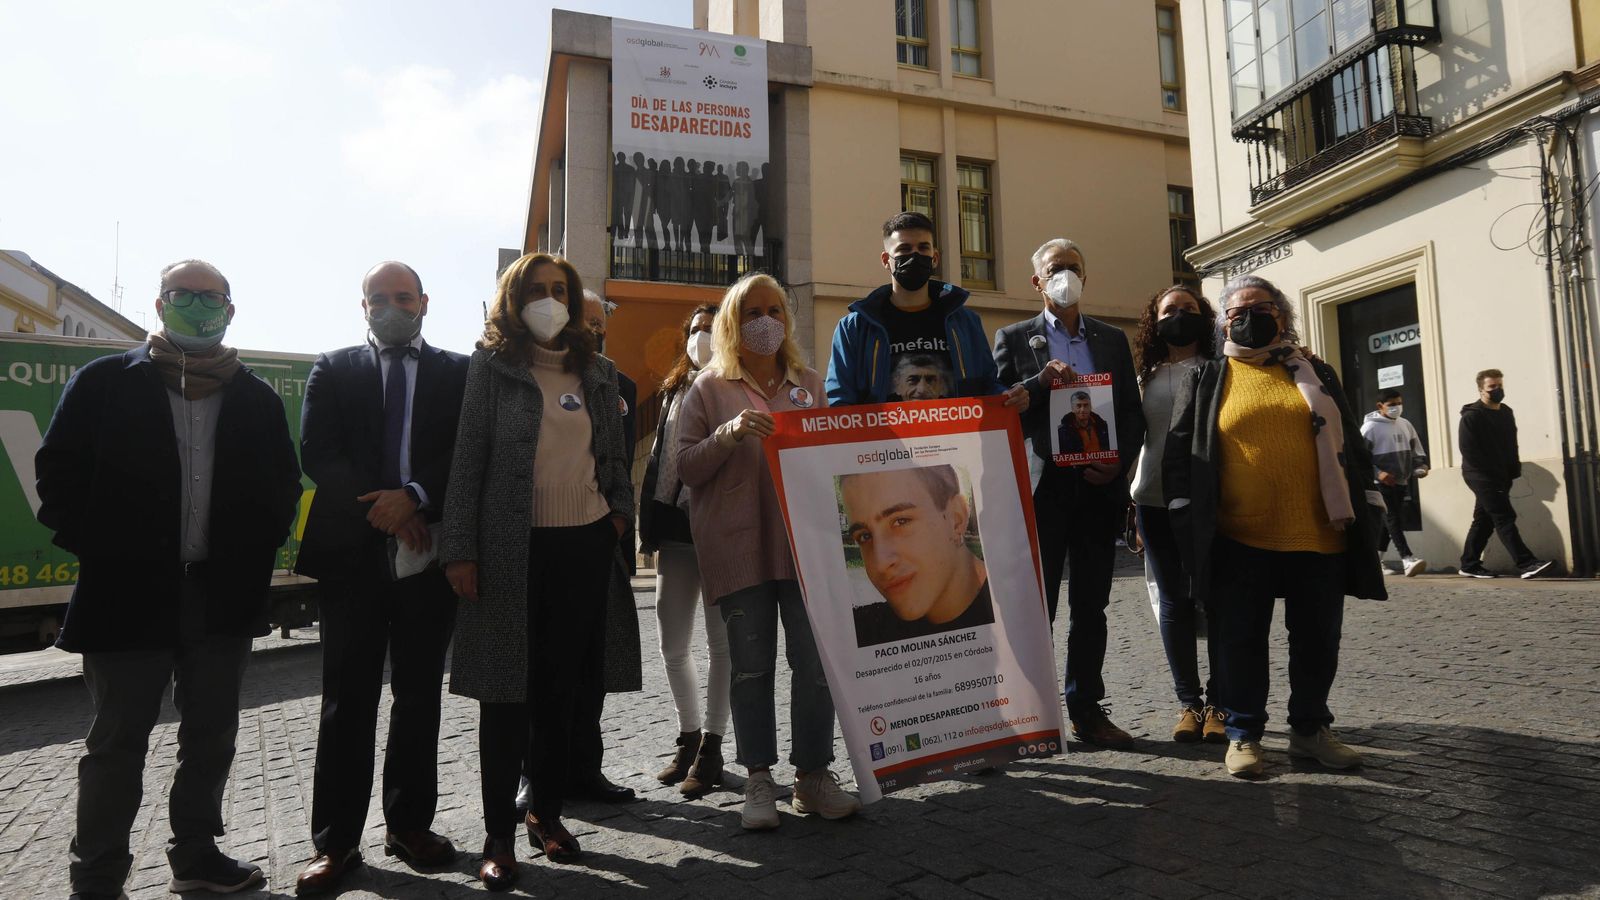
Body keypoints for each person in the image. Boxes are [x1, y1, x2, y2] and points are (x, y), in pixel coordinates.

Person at [37, 259, 301, 899]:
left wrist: (249, 555)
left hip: (221, 596)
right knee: (115, 744)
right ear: (160, 306)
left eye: (213, 298)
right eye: (185, 295)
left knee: (210, 737)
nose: (199, 306)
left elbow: (283, 489)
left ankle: (197, 858)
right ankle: (96, 877)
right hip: (126, 596)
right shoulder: (103, 383)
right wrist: (105, 551)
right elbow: (57, 478)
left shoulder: (256, 397)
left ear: (231, 311)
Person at [441, 253, 633, 890]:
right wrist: (461, 551)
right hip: (507, 549)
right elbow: (467, 463)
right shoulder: (491, 369)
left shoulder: (598, 372)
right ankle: (498, 835)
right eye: (536, 290)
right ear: (512, 299)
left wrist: (615, 520)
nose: (549, 300)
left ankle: (545, 814)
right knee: (505, 696)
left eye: (560, 290)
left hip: (581, 546)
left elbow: (613, 454)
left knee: (561, 691)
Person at [293, 261, 470, 894]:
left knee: (419, 695)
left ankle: (409, 826)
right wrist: (391, 512)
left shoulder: (460, 372)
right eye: (379, 298)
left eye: (403, 296)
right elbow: (320, 452)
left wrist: (417, 495)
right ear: (361, 305)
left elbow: (465, 452)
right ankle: (336, 845)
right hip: (352, 555)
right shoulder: (333, 367)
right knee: (347, 701)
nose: (392, 306)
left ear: (425, 301)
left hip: (429, 556)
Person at [1164, 274, 1386, 778]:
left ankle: (1310, 731)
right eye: (1238, 311)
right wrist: (1185, 520)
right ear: (1224, 321)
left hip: (1320, 533)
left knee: (1317, 640)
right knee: (1240, 639)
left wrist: (1371, 505)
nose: (1250, 316)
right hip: (1239, 537)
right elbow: (1180, 456)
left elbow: (1351, 442)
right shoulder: (1207, 378)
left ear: (1281, 315)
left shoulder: (1316, 373)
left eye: (1261, 307)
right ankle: (1244, 734)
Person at [676, 272, 861, 831]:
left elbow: (834, 461)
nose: (766, 322)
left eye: (775, 310)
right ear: (734, 322)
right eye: (753, 311)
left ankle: (813, 777)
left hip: (805, 548)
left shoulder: (809, 381)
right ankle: (759, 780)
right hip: (739, 549)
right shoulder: (709, 387)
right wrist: (730, 433)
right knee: (750, 669)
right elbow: (685, 467)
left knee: (816, 666)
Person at [993, 238, 1145, 749]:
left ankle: (1086, 708)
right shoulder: (1014, 339)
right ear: (1037, 281)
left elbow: (1128, 412)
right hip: (1043, 489)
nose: (1066, 276)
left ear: (1087, 276)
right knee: (1037, 606)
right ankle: (1030, 711)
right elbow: (998, 410)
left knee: (1091, 604)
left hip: (1098, 490)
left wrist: (1117, 463)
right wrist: (1039, 382)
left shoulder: (1111, 339)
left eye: (1074, 268)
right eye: (1056, 269)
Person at [639, 303, 731, 798]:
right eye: (695, 329)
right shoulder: (674, 388)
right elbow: (661, 463)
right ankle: (689, 735)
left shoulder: (734, 384)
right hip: (675, 531)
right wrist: (649, 525)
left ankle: (712, 748)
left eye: (713, 329)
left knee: (722, 646)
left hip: (719, 530)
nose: (703, 337)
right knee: (672, 644)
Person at [1128, 285, 1224, 744]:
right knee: (1173, 603)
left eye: (1189, 310)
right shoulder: (1142, 376)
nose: (1179, 316)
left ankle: (1220, 705)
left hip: (1210, 503)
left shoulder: (1222, 370)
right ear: (1154, 319)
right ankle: (1189, 704)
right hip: (1152, 500)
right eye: (1169, 310)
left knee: (1218, 601)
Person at [826, 211, 1027, 411]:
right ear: (886, 260)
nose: (915, 255)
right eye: (904, 249)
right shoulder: (855, 327)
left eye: (923, 248)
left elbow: (987, 384)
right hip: (884, 442)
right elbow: (839, 399)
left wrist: (1006, 396)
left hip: (957, 440)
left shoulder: (965, 322)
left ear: (935, 258)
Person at [841, 465, 993, 647]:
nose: (880, 564)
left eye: (900, 521)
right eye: (864, 536)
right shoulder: (863, 632)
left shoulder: (1017, 611)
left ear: (956, 518)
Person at [1458, 369, 1552, 578]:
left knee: (1484, 520)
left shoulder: (1506, 412)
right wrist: (1490, 477)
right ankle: (1526, 563)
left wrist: (1511, 472)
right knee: (1504, 516)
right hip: (1480, 475)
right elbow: (1469, 451)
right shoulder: (1471, 417)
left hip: (1502, 476)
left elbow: (1511, 445)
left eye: (1500, 385)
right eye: (1492, 387)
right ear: (1481, 389)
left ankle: (1469, 564)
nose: (1497, 390)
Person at [1360, 388, 1430, 577]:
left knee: (1388, 522)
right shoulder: (1369, 428)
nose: (1397, 408)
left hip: (1401, 481)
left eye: (1399, 403)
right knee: (1393, 519)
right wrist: (1378, 473)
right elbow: (1360, 458)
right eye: (1392, 405)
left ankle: (1375, 561)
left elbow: (1416, 449)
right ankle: (1407, 558)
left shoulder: (1405, 424)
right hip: (1380, 483)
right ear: (1380, 406)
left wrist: (1420, 466)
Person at [1057, 391, 1110, 456]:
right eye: (1078, 406)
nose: (1082, 409)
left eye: (1086, 405)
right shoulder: (1062, 432)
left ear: (1090, 407)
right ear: (1072, 408)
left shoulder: (1103, 426)